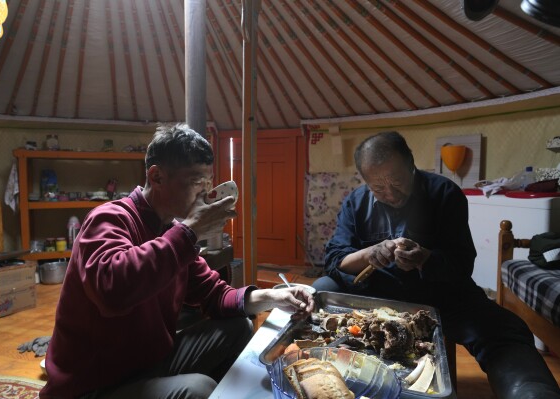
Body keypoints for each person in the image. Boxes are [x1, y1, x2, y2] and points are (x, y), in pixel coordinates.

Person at [40, 123, 314, 399]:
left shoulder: (172, 232)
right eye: (196, 182)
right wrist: (190, 230)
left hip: (147, 364)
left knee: (236, 326)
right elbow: (113, 290)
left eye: (207, 183)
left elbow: (215, 295)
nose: (204, 194)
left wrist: (276, 298)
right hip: (94, 385)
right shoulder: (110, 218)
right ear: (157, 177)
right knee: (197, 389)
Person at [312, 131, 560, 399]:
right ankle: (320, 372)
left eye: (397, 181)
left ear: (411, 164)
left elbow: (462, 264)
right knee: (321, 289)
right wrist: (370, 253)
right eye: (378, 188)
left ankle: (533, 393)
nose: (390, 194)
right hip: (375, 297)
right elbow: (335, 260)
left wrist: (425, 258)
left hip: (439, 297)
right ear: (365, 180)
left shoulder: (443, 192)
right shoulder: (356, 202)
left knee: (502, 328)